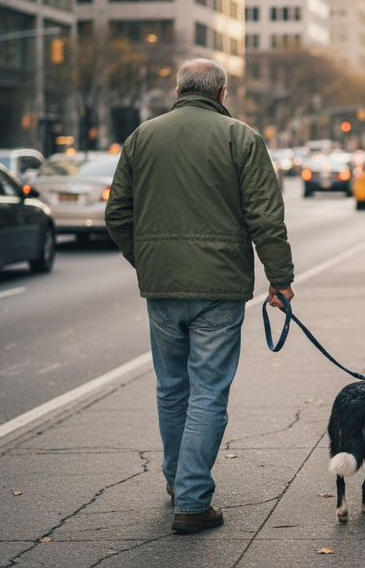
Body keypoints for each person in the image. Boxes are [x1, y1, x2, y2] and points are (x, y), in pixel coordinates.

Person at [105, 59, 295, 534]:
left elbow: (116, 214)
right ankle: (191, 500)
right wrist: (280, 278)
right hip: (220, 287)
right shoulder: (241, 138)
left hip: (163, 285)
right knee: (208, 391)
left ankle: (177, 480)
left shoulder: (141, 137)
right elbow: (265, 218)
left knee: (172, 389)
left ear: (178, 89)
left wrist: (147, 260)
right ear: (222, 93)